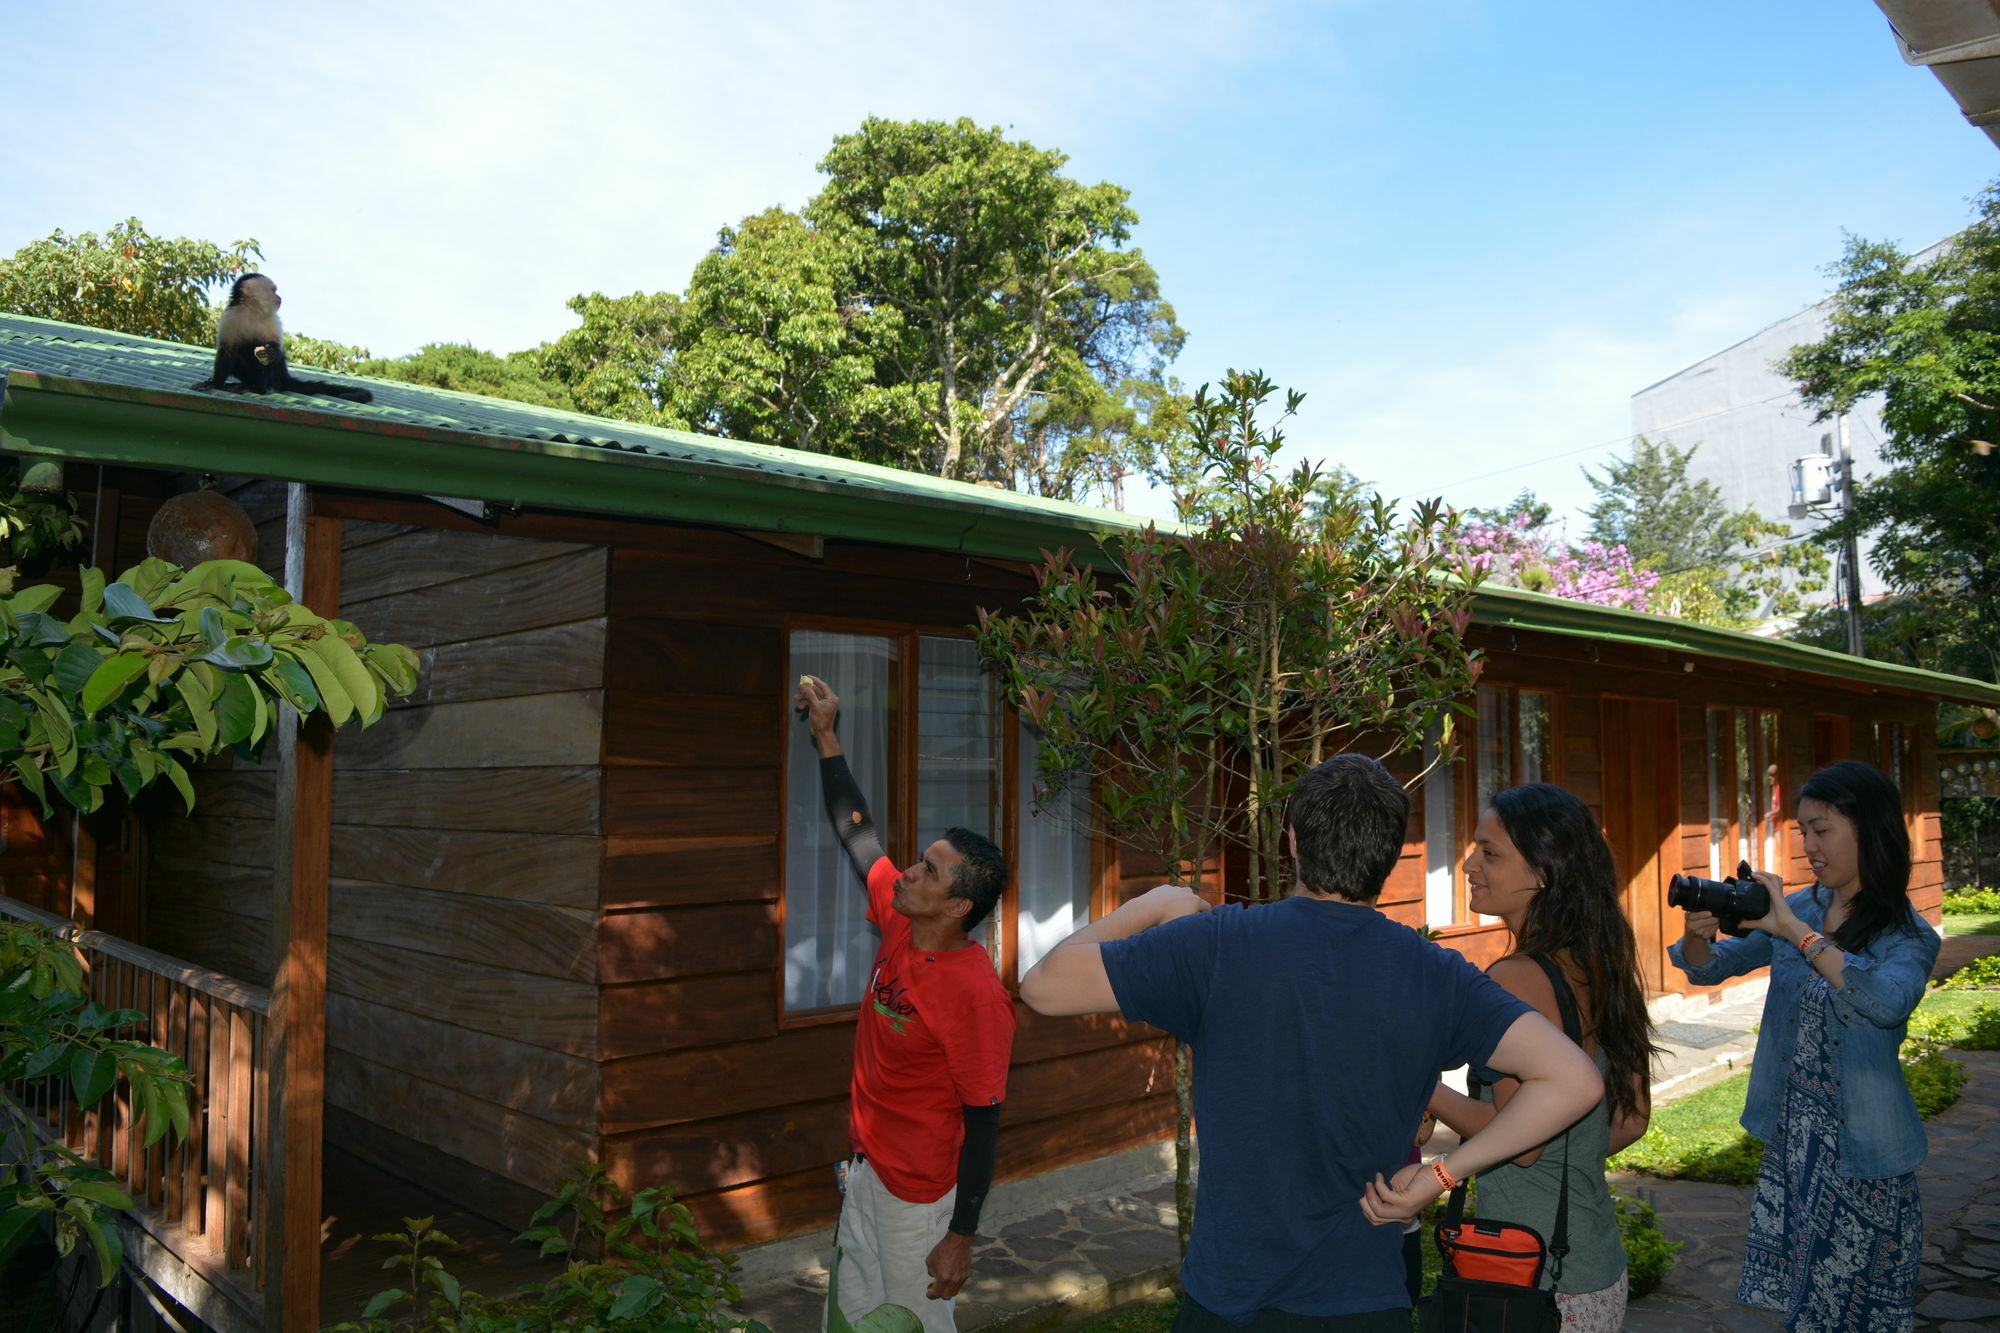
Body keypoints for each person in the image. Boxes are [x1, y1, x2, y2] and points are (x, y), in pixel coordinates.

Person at [1020, 753, 1604, 1332]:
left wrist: (1152, 904)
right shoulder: (1436, 972)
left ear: (1294, 841)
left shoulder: (1216, 944)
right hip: (1363, 1300)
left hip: (1232, 1296)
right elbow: (1573, 1079)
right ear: (1388, 852)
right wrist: (1439, 1176)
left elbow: (1042, 986)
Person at [1670, 760, 1939, 1332]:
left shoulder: (1907, 935)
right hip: (1795, 1144)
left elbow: (1887, 1003)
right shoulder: (1805, 908)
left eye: (1822, 830)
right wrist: (1697, 940)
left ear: (1868, 830)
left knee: (1852, 1313)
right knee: (1806, 1309)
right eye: (1803, 832)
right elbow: (1711, 969)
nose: (1808, 845)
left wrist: (1794, 929)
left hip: (1862, 1155)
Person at [796, 676, 1016, 1333]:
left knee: (913, 1325)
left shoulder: (975, 994)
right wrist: (828, 734)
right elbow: (856, 832)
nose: (910, 871)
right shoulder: (902, 919)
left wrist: (960, 1234)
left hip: (918, 1196)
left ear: (956, 907)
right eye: (920, 860)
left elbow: (984, 1121)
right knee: (855, 1318)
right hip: (866, 1170)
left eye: (929, 870)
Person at [1424, 783, 1664, 1333]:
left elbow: (1521, 1142)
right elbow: (1632, 1119)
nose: (1468, 864)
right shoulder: (1601, 960)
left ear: (1542, 872)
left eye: (1489, 852)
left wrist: (1418, 1083)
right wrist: (1568, 1160)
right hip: (1594, 1264)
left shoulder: (1516, 979)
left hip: (1532, 1279)